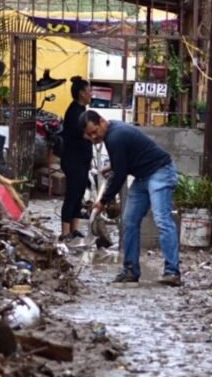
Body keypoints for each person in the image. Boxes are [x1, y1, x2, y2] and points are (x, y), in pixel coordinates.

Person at [78, 110, 182, 286]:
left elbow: (120, 175)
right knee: (129, 221)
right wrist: (112, 166)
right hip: (142, 176)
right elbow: (124, 162)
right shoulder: (113, 133)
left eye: (94, 132)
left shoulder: (115, 136)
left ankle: (172, 272)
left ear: (102, 122)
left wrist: (102, 202)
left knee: (162, 220)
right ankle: (130, 270)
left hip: (160, 172)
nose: (93, 137)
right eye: (89, 135)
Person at [58, 76, 93, 242]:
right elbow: (83, 135)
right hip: (73, 160)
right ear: (81, 93)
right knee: (72, 194)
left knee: (79, 193)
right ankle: (65, 232)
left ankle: (75, 228)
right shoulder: (73, 112)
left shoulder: (82, 111)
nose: (91, 94)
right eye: (88, 91)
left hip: (82, 159)